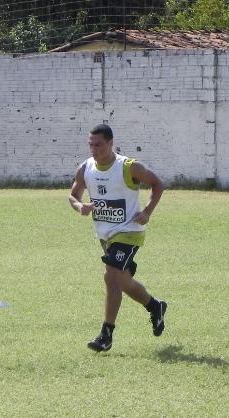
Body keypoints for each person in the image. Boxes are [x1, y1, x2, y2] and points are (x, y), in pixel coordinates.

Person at [69, 124, 167, 352]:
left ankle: (106, 334)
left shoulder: (128, 167)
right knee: (122, 281)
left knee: (111, 277)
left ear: (111, 143)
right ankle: (155, 306)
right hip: (105, 236)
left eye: (99, 145)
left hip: (129, 232)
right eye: (90, 145)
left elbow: (157, 184)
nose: (94, 149)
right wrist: (79, 206)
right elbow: (73, 195)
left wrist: (146, 212)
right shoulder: (85, 168)